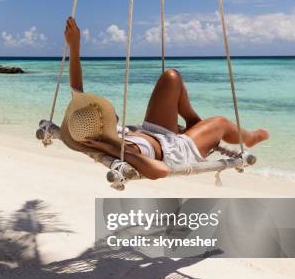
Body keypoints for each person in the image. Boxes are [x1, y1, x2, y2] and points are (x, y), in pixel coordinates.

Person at [60, 17, 269, 180]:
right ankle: (250, 138)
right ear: (104, 124)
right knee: (221, 123)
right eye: (102, 112)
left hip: (153, 132)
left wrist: (74, 46)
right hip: (175, 151)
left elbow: (76, 90)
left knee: (171, 78)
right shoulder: (120, 149)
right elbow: (160, 171)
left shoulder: (86, 130)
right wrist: (113, 149)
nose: (104, 110)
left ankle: (193, 122)